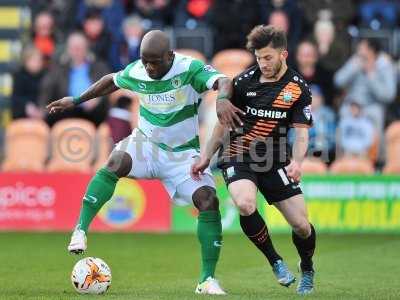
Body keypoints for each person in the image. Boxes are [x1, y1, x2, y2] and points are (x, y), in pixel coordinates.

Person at [46, 30, 234, 295]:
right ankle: (80, 230)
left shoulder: (189, 68)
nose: (149, 67)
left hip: (182, 155)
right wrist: (76, 100)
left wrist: (223, 100)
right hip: (146, 144)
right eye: (145, 61)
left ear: (169, 56)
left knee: (208, 201)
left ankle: (206, 280)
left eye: (155, 62)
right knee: (115, 162)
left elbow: (224, 81)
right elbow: (111, 80)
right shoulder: (139, 70)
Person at [192, 25, 316, 295]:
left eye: (268, 57)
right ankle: (275, 261)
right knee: (245, 204)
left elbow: (302, 134)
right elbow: (222, 126)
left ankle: (306, 266)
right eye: (258, 58)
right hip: (238, 153)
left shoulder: (297, 89)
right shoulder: (244, 81)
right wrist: (205, 157)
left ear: (283, 54)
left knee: (302, 226)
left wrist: (297, 162)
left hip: (276, 159)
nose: (263, 63)